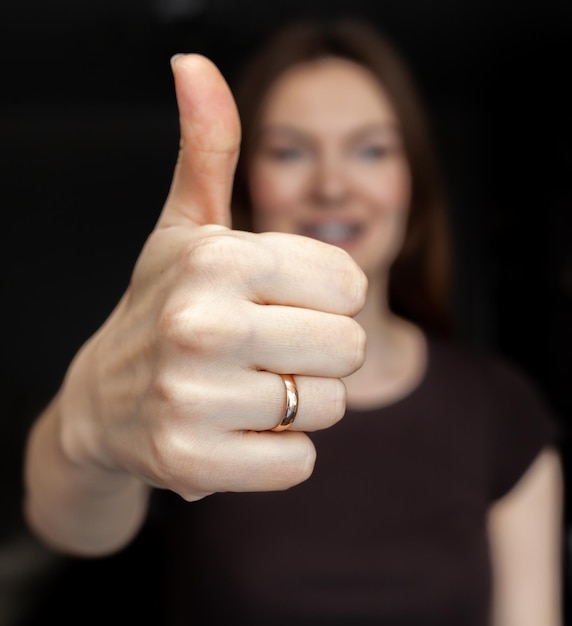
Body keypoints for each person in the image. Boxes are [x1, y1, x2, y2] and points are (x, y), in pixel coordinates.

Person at [22, 18, 563, 626]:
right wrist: (89, 423)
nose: (331, 185)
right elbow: (72, 528)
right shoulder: (193, 387)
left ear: (412, 184)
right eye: (290, 151)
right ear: (252, 185)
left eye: (371, 149)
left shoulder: (500, 407)